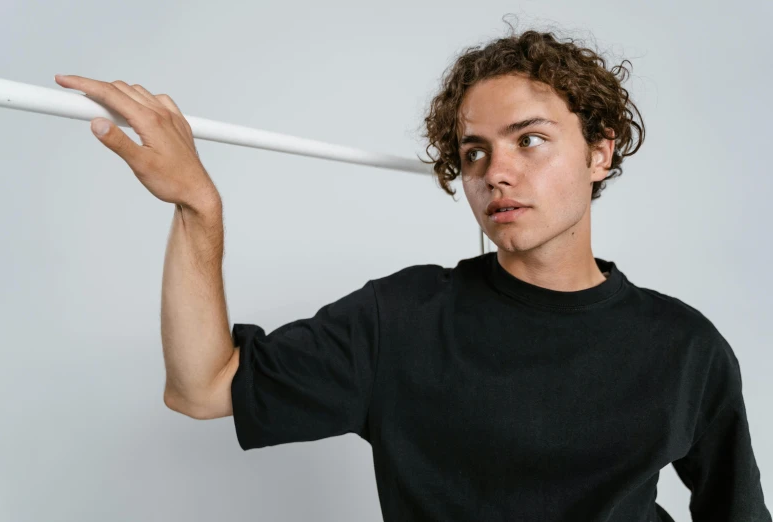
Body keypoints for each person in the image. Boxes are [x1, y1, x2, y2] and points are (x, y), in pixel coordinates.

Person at [56, 16, 771, 522]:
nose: (496, 173)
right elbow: (201, 388)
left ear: (598, 152)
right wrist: (196, 208)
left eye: (529, 139)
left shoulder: (684, 345)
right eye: (474, 152)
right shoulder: (401, 320)